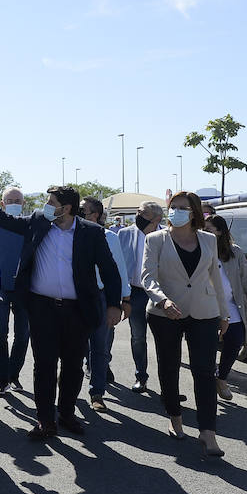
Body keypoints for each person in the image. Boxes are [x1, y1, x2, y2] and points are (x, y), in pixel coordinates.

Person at [0, 172, 124, 440]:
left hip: (78, 311)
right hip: (41, 308)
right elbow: (3, 220)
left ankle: (66, 414)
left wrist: (114, 305)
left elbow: (110, 271)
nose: (46, 206)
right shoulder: (38, 223)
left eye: (51, 202)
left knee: (73, 366)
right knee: (44, 364)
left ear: (66, 208)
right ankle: (45, 419)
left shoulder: (91, 233)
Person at [141, 191, 230, 456]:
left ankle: (208, 432)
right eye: (173, 207)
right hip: (165, 313)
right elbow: (147, 276)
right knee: (169, 367)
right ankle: (175, 417)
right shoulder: (155, 239)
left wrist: (224, 314)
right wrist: (162, 301)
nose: (176, 212)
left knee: (204, 371)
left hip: (204, 312)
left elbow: (216, 278)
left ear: (194, 214)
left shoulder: (209, 240)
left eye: (182, 208)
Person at [79, 197, 131, 411]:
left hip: (100, 297)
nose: (78, 212)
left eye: (83, 210)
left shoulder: (109, 237)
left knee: (99, 347)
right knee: (75, 345)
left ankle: (97, 392)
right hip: (76, 297)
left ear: (95, 215)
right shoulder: (69, 234)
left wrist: (124, 300)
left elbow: (119, 270)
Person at [206, 215, 247, 400]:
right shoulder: (199, 250)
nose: (204, 233)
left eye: (209, 229)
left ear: (220, 231)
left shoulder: (234, 252)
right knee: (207, 346)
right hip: (206, 307)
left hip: (231, 306)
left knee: (235, 341)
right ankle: (207, 382)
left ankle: (221, 377)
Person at [117, 201, 163, 394]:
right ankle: (141, 377)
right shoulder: (125, 234)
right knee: (138, 336)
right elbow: (119, 265)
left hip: (161, 294)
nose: (137, 215)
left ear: (156, 219)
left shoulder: (166, 236)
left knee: (165, 339)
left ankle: (168, 385)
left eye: (142, 213)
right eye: (137, 212)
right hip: (135, 293)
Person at [0, 186, 31, 396]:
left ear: (23, 204)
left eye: (18, 199)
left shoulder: (29, 227)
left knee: (23, 335)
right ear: (2, 204)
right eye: (10, 200)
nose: (14, 202)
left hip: (25, 290)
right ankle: (2, 379)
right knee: (0, 334)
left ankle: (14, 374)